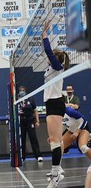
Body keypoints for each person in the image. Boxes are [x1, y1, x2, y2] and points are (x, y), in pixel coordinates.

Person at [42, 21, 70, 188]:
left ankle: (56, 173)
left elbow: (48, 51)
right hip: (52, 104)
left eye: (52, 55)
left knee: (54, 140)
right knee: (55, 140)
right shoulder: (52, 69)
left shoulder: (57, 67)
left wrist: (45, 36)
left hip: (55, 103)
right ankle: (57, 171)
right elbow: (48, 54)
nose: (48, 57)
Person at [17, 86, 43, 162]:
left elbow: (35, 111)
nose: (22, 92)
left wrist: (37, 121)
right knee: (22, 139)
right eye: (20, 90)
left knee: (33, 138)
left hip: (30, 120)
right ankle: (22, 156)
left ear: (26, 92)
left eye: (23, 90)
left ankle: (38, 156)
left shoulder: (30, 99)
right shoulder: (17, 101)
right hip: (21, 121)